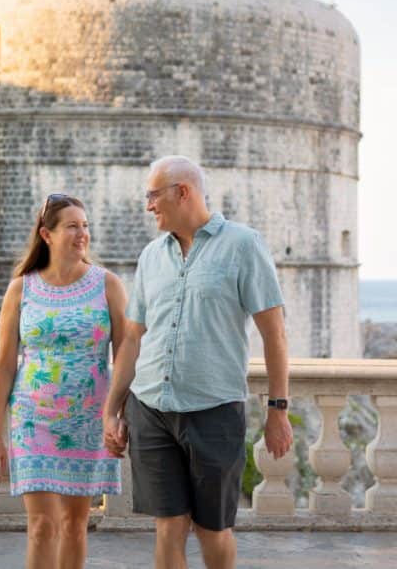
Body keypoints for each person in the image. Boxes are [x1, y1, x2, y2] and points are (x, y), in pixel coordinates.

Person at [102, 156, 293, 569]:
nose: (148, 205)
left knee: (212, 529)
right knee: (168, 526)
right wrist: (112, 410)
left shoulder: (243, 245)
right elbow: (133, 338)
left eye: (153, 195)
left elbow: (274, 334)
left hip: (214, 410)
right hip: (151, 409)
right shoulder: (151, 256)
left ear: (182, 192)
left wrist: (278, 410)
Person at [0, 193, 127, 569]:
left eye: (86, 225)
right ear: (46, 235)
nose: (83, 234)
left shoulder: (108, 285)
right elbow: (4, 365)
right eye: (72, 226)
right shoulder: (21, 289)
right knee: (41, 526)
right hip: (33, 421)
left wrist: (118, 414)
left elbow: (126, 357)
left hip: (88, 422)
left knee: (75, 526)